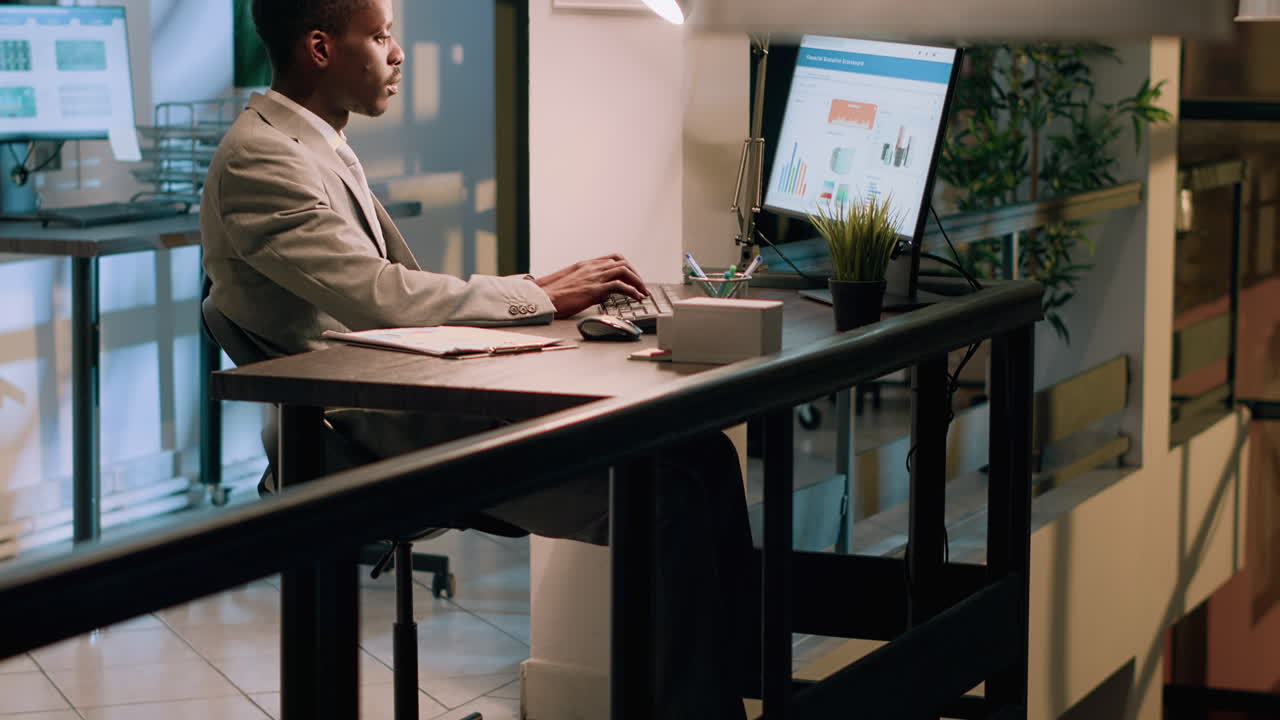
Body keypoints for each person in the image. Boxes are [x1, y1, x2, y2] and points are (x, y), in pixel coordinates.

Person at [201, 0, 753, 716]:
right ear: (320, 48)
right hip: (368, 427)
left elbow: (385, 300)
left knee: (704, 455)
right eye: (380, 36)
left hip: (414, 392)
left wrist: (540, 292)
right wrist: (538, 295)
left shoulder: (313, 143)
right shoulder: (261, 157)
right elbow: (381, 297)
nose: (397, 53)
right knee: (669, 496)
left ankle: (730, 698)